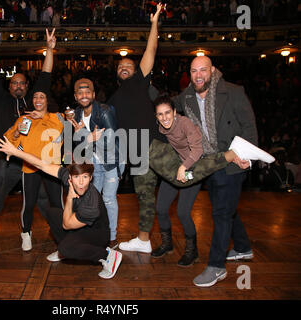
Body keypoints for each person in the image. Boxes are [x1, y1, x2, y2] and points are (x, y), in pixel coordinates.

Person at [149, 95, 275, 266]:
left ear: (175, 112)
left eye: (167, 113)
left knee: (183, 212)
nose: (164, 118)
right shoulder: (160, 127)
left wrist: (184, 166)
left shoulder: (184, 123)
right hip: (175, 168)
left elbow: (198, 149)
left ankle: (191, 252)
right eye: (160, 114)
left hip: (194, 169)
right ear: (156, 116)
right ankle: (167, 244)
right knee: (161, 208)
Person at [173, 55, 260, 287]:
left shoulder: (233, 91)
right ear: (189, 74)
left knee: (221, 212)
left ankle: (216, 266)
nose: (198, 75)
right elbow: (166, 109)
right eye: (193, 71)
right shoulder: (187, 97)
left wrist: (249, 159)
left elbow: (250, 128)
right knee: (227, 208)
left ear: (212, 70)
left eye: (203, 70)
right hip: (209, 164)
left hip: (233, 160)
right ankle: (242, 247)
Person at [0, 136, 122, 279]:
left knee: (66, 248)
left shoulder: (91, 204)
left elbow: (66, 225)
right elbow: (42, 165)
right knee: (52, 212)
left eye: (85, 177)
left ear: (91, 178)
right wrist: (16, 152)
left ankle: (107, 255)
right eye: (76, 177)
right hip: (82, 226)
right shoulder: (70, 178)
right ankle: (66, 247)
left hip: (98, 235)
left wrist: (69, 197)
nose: (80, 183)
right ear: (70, 177)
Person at [0, 24, 58, 249]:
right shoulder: (0, 100)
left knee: (42, 198)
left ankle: (58, 230)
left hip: (33, 159)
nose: (18, 86)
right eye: (14, 83)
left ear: (27, 86)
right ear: (9, 85)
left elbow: (46, 74)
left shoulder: (34, 100)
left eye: (22, 83)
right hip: (8, 159)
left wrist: (50, 49)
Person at [107, 2, 164, 254]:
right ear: (117, 74)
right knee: (145, 196)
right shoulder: (112, 100)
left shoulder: (140, 83)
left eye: (128, 65)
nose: (124, 67)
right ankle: (144, 240)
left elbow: (150, 50)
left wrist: (154, 24)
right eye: (120, 67)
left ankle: (225, 158)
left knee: (182, 176)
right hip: (136, 154)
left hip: (153, 145)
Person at [4, 63, 65, 251]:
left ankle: (62, 236)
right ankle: (26, 233)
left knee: (57, 204)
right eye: (36, 96)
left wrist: (43, 118)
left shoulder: (57, 117)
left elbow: (61, 133)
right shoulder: (24, 119)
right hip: (29, 168)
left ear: (47, 100)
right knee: (28, 203)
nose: (38, 99)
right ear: (32, 100)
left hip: (52, 168)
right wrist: (15, 135)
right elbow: (8, 141)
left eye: (42, 96)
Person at [68, 78, 124, 249]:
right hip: (94, 161)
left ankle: (112, 237)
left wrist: (85, 135)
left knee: (107, 199)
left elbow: (111, 142)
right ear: (76, 96)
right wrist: (87, 137)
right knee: (92, 198)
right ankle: (95, 232)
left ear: (93, 94)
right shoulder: (76, 114)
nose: (84, 95)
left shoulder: (104, 112)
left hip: (112, 161)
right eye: (80, 92)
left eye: (88, 91)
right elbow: (79, 144)